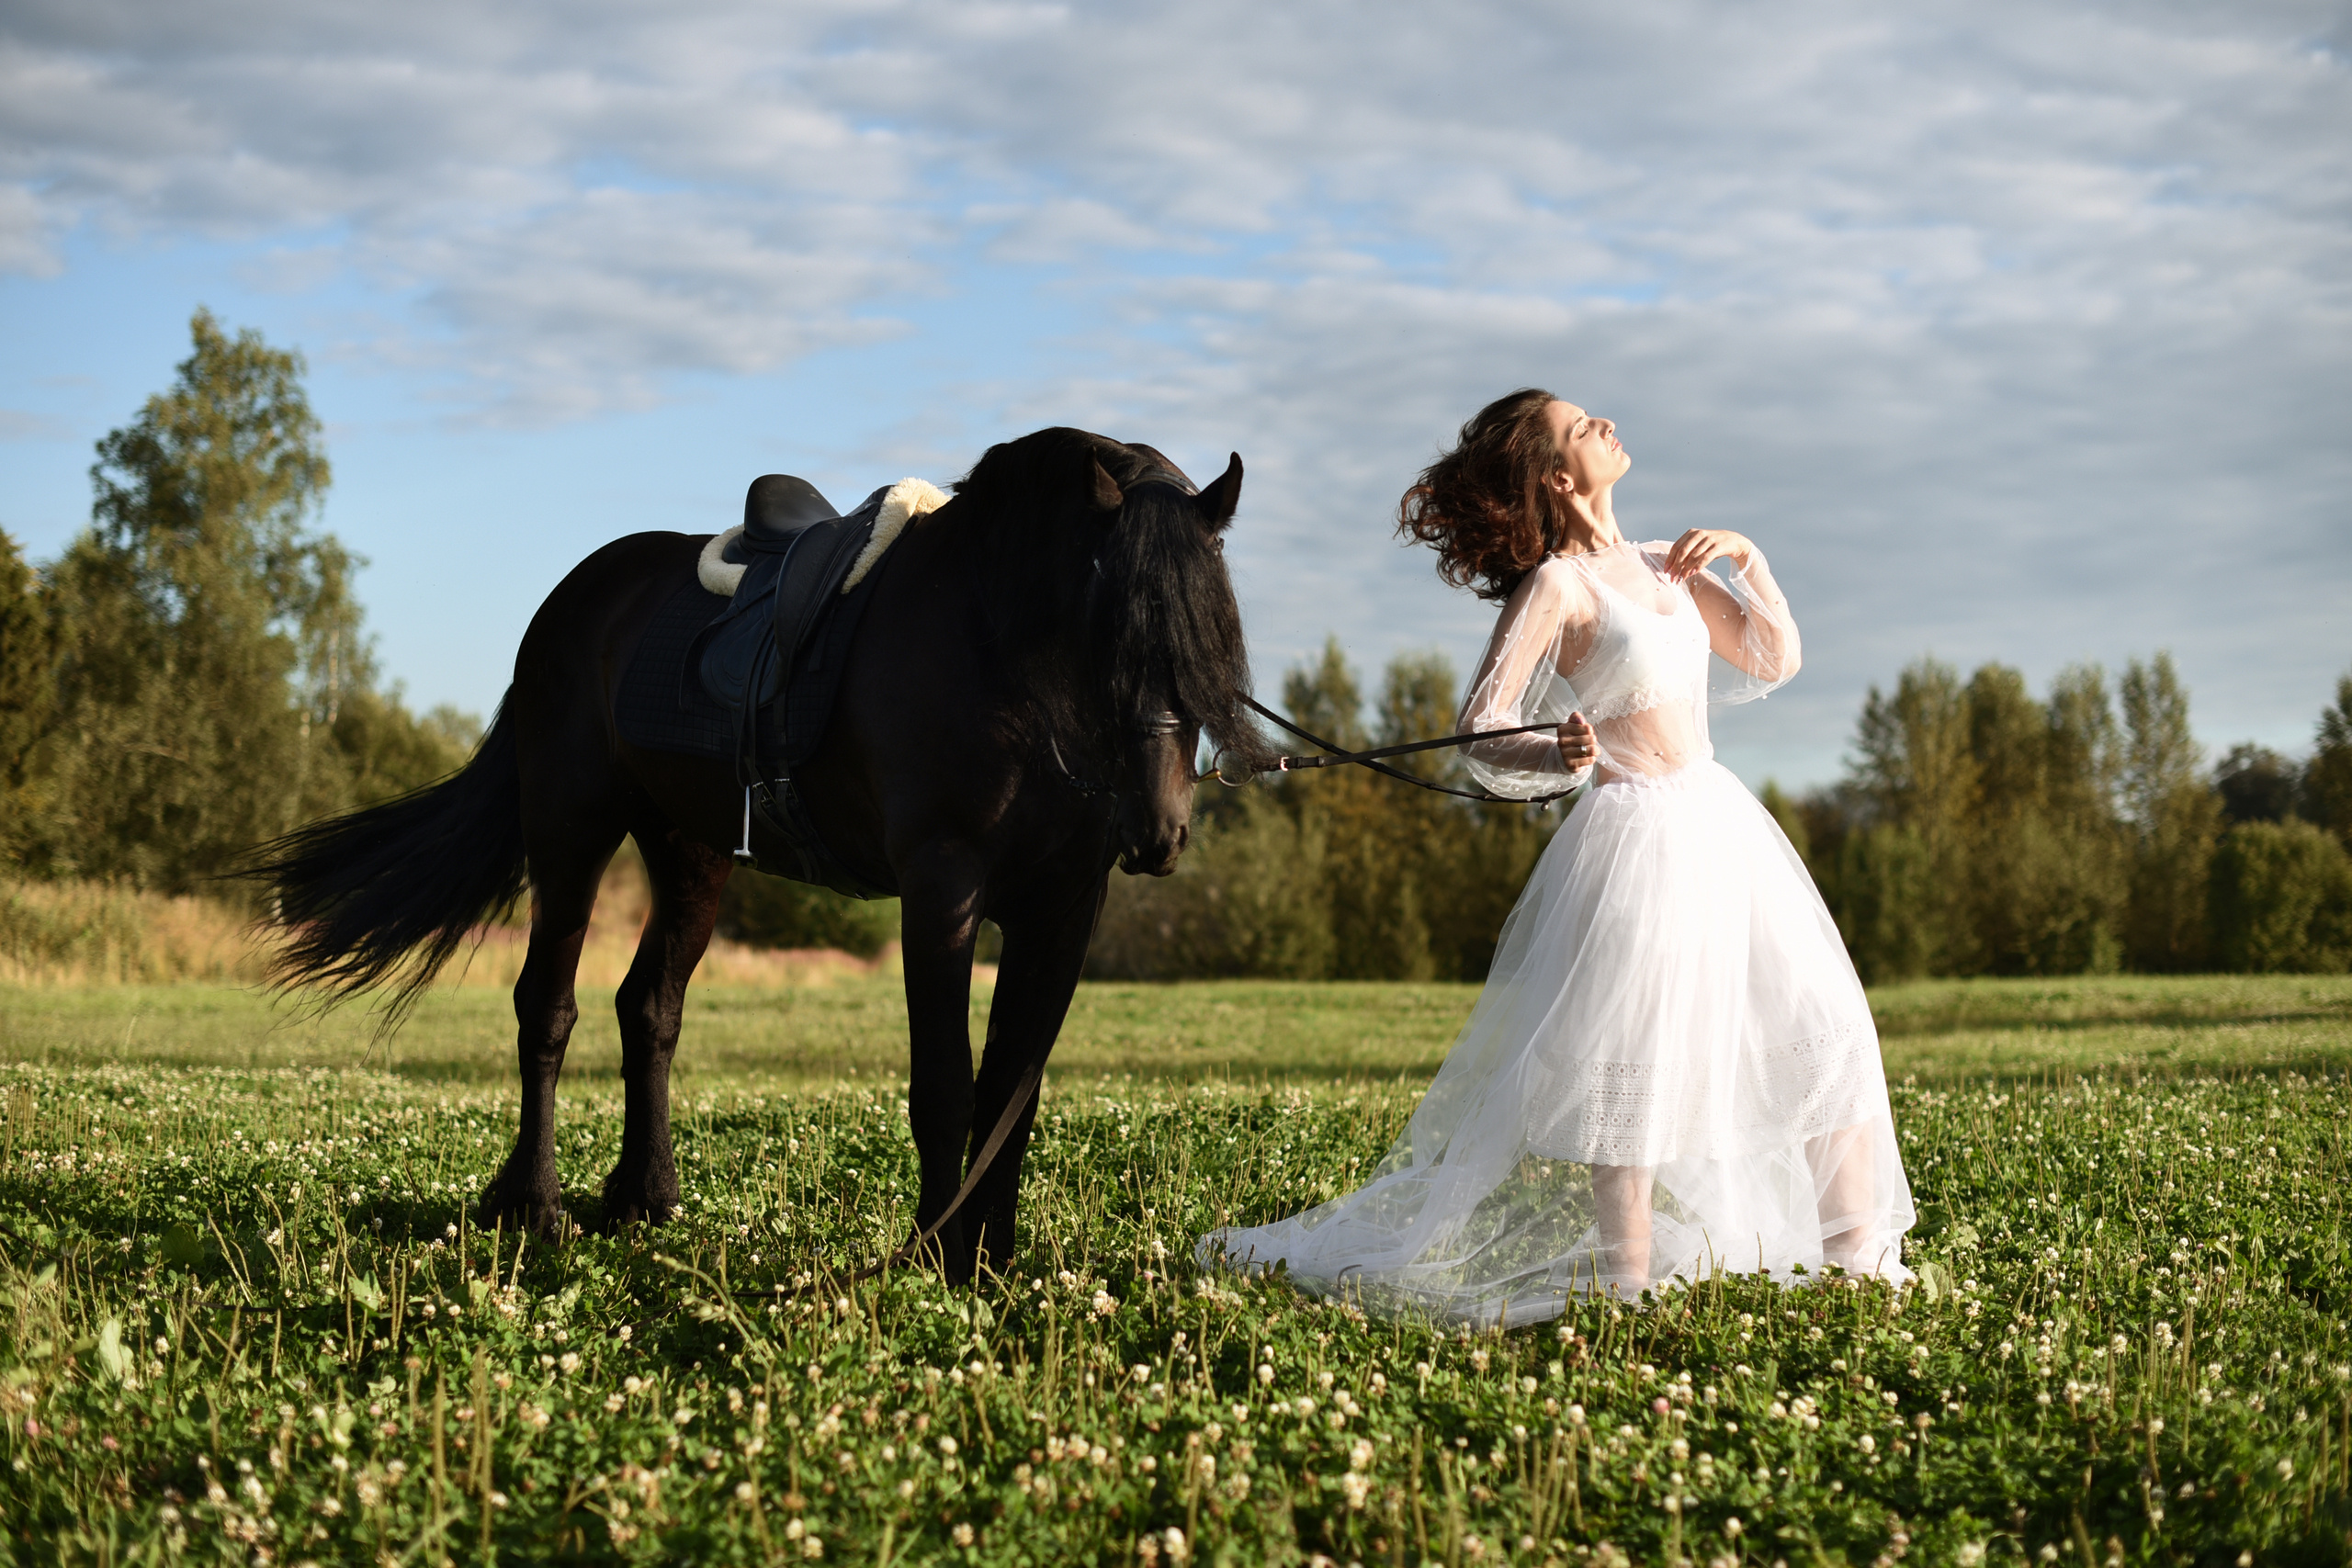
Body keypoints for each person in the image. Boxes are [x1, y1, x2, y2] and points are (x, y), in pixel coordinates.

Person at [1199, 388, 1915, 1325]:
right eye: (1583, 428)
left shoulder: (1670, 563)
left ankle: (1854, 1256)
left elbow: (1771, 660)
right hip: (1634, 836)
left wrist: (1750, 559)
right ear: (1557, 475)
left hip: (1720, 820)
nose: (1606, 424)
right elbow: (1479, 728)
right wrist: (1558, 754)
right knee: (1633, 1056)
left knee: (1821, 1022)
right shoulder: (1557, 589)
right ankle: (1627, 1277)